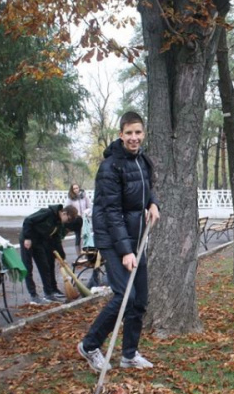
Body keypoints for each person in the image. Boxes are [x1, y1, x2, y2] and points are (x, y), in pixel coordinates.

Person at [77, 111, 160, 373]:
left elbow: (146, 189)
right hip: (114, 240)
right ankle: (89, 346)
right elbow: (112, 212)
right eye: (129, 133)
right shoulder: (111, 166)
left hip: (136, 237)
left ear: (143, 133)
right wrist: (125, 251)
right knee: (125, 294)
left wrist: (153, 203)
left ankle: (129, 354)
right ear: (121, 135)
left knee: (140, 299)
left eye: (138, 132)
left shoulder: (142, 161)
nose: (134, 138)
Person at [20, 204, 79, 305]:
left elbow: (56, 240)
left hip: (39, 242)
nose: (67, 223)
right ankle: (33, 295)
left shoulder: (58, 222)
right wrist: (27, 238)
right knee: (28, 267)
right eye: (68, 219)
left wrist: (62, 257)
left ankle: (49, 293)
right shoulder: (47, 213)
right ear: (64, 213)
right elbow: (28, 220)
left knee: (45, 266)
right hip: (27, 240)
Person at [66, 183, 92, 255]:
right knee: (78, 237)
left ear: (79, 188)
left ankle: (88, 254)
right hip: (76, 220)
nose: (76, 190)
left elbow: (89, 207)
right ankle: (79, 255)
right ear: (72, 190)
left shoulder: (84, 197)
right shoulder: (70, 198)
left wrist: (86, 212)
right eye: (74, 188)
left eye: (77, 188)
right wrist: (74, 215)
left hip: (85, 219)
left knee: (86, 236)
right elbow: (67, 209)